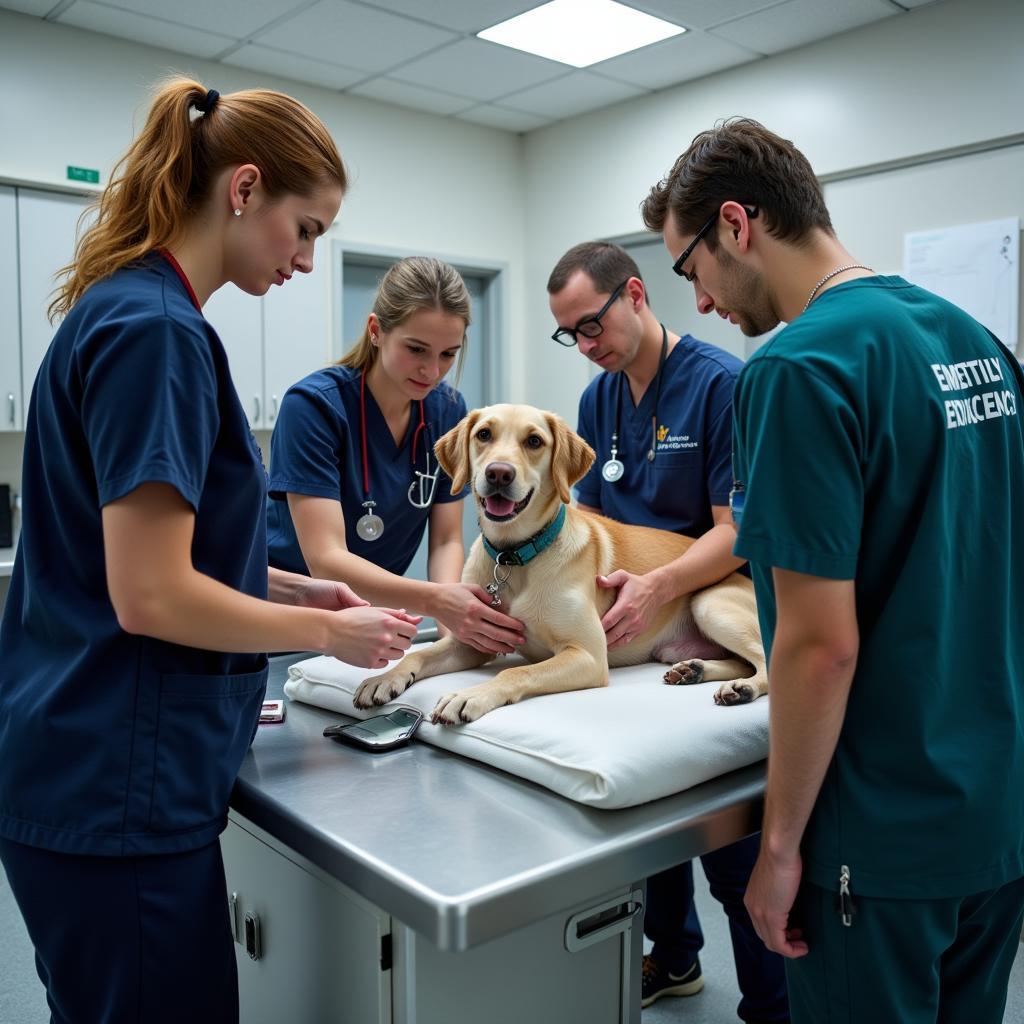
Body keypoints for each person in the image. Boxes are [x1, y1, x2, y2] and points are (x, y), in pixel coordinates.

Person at [0, 78, 420, 1024]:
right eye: (304, 228)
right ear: (243, 190)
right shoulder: (158, 335)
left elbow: (182, 558)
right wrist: (330, 639)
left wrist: (305, 595)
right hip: (117, 795)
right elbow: (151, 595)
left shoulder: (132, 310)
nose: (310, 260)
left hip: (90, 773)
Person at [641, 117, 1024, 1023]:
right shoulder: (976, 340)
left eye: (690, 269)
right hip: (994, 814)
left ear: (737, 224)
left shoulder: (798, 369)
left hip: (880, 839)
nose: (697, 304)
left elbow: (819, 647)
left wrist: (776, 851)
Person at [547, 241, 789, 1023]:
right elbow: (586, 518)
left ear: (637, 295)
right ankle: (676, 956)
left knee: (726, 844)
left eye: (592, 324)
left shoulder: (722, 385)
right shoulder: (600, 400)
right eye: (571, 337)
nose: (588, 347)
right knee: (648, 817)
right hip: (637, 630)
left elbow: (736, 532)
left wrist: (660, 585)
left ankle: (771, 1006)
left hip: (702, 600)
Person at [266, 256, 525, 655]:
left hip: (371, 622)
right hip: (283, 622)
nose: (431, 371)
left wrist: (450, 637)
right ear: (376, 331)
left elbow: (445, 540)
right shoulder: (314, 407)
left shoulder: (446, 411)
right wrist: (438, 601)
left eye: (447, 354)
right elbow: (326, 561)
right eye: (417, 349)